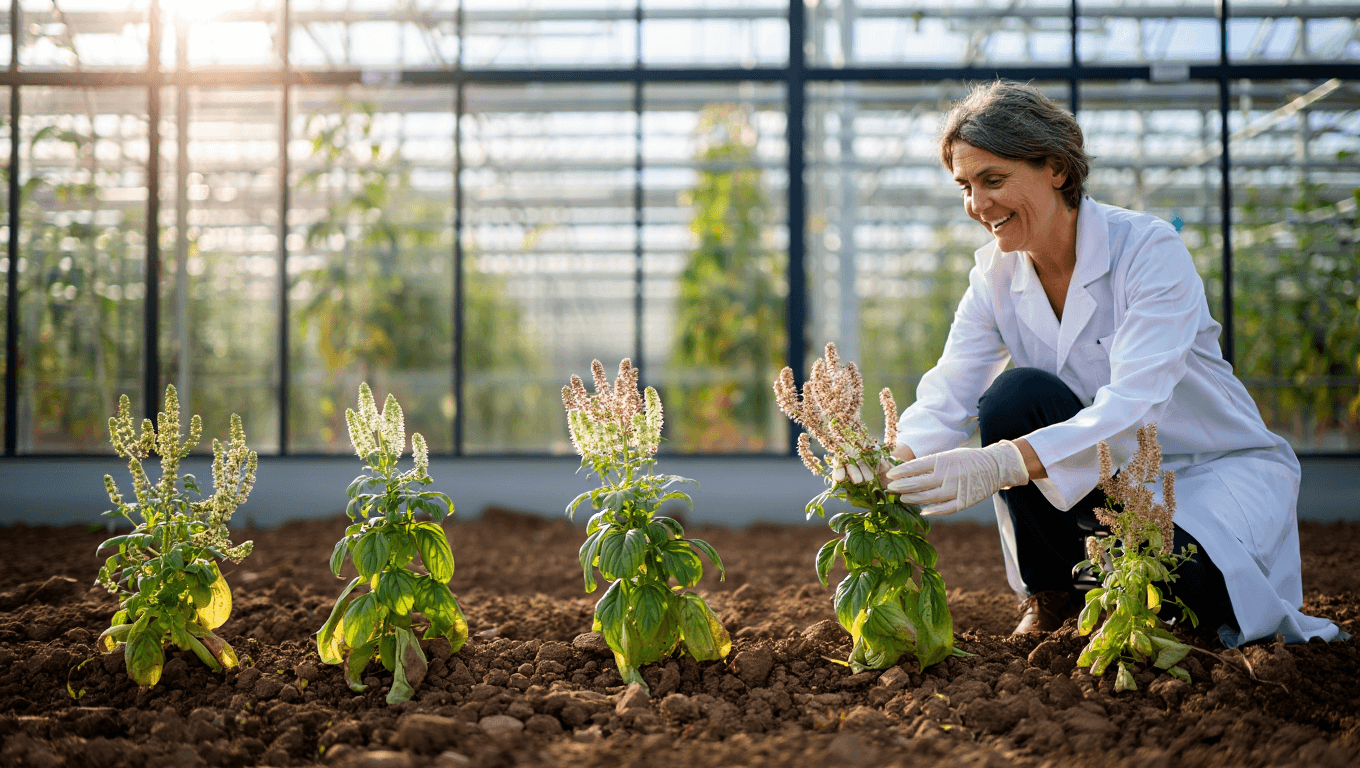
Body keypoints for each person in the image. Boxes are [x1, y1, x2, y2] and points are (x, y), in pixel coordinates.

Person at [881, 80, 1342, 647]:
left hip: (1205, 472)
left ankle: (1149, 593)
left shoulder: (1147, 251)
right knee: (1015, 396)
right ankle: (1052, 593)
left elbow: (1136, 407)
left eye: (993, 180)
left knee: (1180, 589)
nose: (978, 205)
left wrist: (1002, 463)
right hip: (1109, 486)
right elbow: (947, 394)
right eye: (965, 187)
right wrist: (885, 465)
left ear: (1054, 167)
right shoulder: (994, 277)